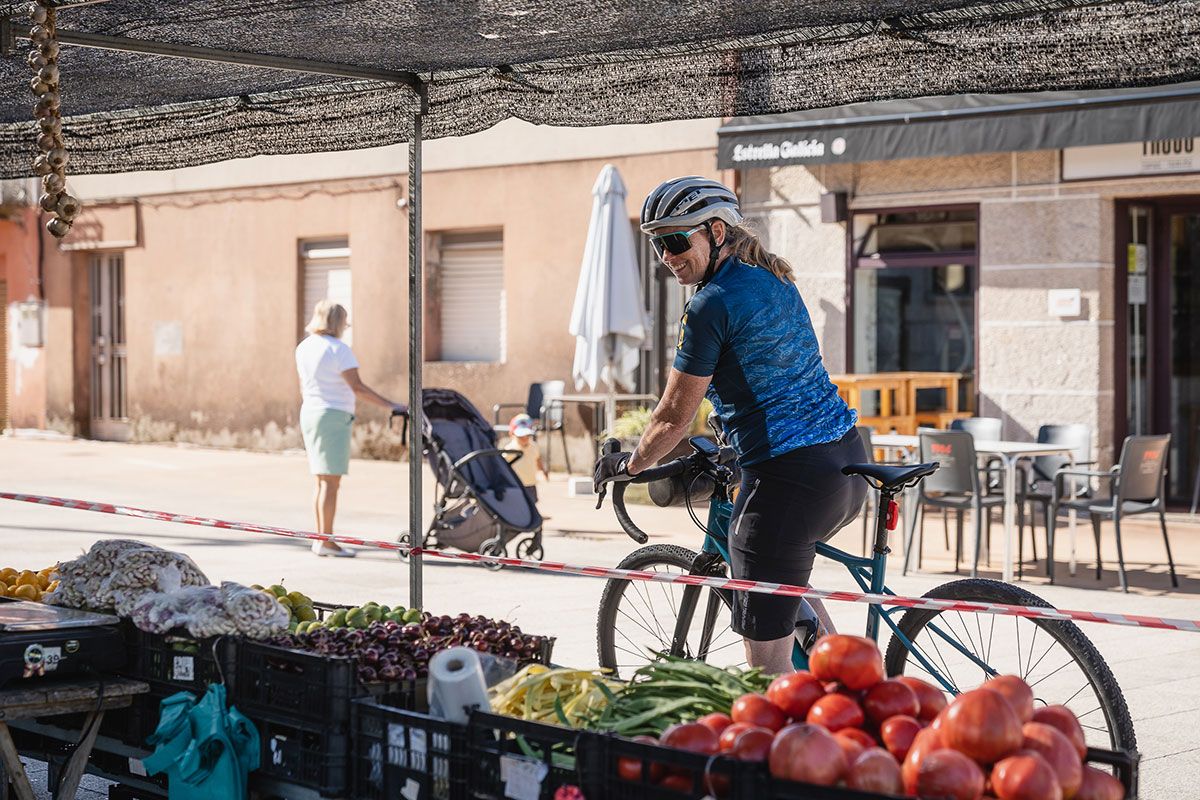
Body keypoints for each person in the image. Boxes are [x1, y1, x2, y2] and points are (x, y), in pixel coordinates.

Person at [593, 176, 866, 674]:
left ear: (716, 231)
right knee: (787, 579)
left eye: (676, 240)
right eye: (656, 243)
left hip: (791, 475)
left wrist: (630, 465)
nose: (666, 255)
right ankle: (850, 690)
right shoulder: (773, 278)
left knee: (768, 675)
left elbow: (674, 418)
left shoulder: (710, 302)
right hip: (844, 459)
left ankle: (811, 729)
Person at [295, 299, 406, 557]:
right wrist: (391, 405)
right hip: (333, 415)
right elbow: (357, 387)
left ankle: (322, 537)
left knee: (322, 481)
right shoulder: (339, 350)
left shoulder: (303, 348)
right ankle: (327, 542)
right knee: (331, 482)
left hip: (310, 413)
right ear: (337, 321)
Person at [503, 413, 548, 503]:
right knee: (518, 504)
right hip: (516, 484)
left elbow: (537, 459)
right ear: (512, 434)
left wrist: (543, 471)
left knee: (532, 503)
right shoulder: (510, 450)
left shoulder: (533, 447)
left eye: (527, 436)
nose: (524, 439)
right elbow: (502, 465)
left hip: (531, 483)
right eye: (520, 437)